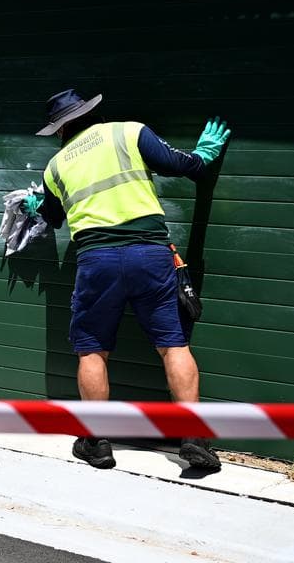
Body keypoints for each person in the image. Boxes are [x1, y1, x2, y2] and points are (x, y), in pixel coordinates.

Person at [32, 90, 230, 472]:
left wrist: (34, 205)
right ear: (94, 113)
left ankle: (98, 441)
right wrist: (202, 157)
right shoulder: (129, 132)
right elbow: (182, 166)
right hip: (150, 254)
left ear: (59, 131)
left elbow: (52, 216)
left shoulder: (54, 167)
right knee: (173, 344)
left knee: (92, 349)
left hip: (97, 261)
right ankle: (194, 439)